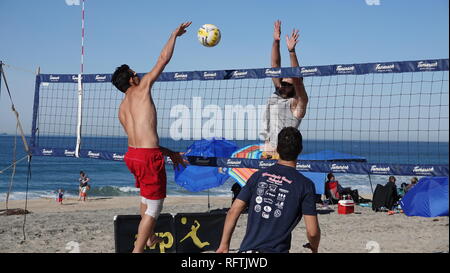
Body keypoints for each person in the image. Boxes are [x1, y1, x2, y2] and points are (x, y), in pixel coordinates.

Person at [111, 22, 190, 253]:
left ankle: (150, 236)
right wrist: (174, 34)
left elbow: (145, 141)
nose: (139, 73)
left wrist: (171, 154)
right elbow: (163, 58)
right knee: (154, 208)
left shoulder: (122, 109)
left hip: (133, 156)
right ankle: (138, 250)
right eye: (135, 72)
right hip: (146, 158)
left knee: (146, 198)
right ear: (132, 78)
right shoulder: (143, 87)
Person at [216, 127, 320, 253]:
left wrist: (224, 245)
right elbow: (312, 232)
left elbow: (233, 211)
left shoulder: (258, 175)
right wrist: (314, 247)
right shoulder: (306, 185)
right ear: (300, 150)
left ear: (277, 149)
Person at [260, 20, 309, 160]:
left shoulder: (298, 103)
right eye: (282, 82)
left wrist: (292, 52)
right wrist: (276, 41)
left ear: (295, 87)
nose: (282, 85)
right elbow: (274, 66)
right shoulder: (279, 91)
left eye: (287, 84)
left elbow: (297, 78)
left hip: (283, 156)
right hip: (267, 153)